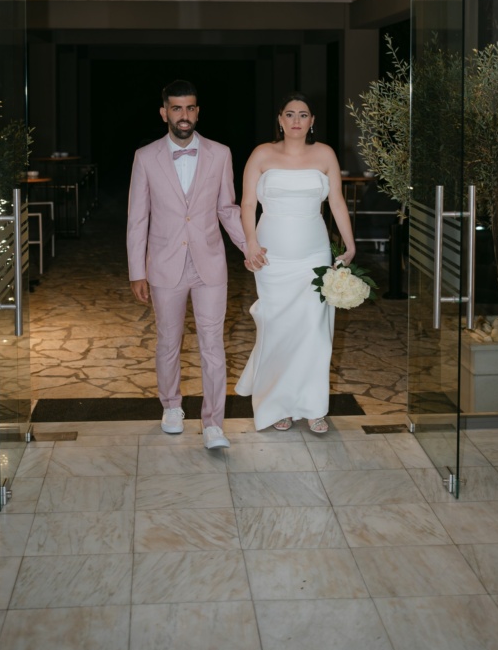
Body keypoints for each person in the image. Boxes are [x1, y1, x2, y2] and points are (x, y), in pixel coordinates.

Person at [127, 80, 257, 450]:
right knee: (168, 341)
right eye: (176, 108)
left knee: (212, 344)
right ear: (164, 113)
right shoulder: (145, 157)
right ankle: (171, 406)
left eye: (190, 108)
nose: (183, 115)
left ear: (197, 112)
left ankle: (213, 423)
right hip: (164, 265)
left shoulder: (220, 153)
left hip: (209, 264)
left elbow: (227, 209)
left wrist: (249, 247)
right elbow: (137, 218)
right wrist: (137, 271)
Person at [235, 92, 355, 434]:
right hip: (272, 257)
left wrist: (349, 245)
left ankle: (313, 407)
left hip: (313, 256)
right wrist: (250, 244)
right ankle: (277, 405)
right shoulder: (261, 154)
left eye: (303, 114)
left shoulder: (325, 154)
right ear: (280, 119)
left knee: (314, 330)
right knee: (278, 329)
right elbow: (247, 204)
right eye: (290, 114)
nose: (296, 120)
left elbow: (336, 202)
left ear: (312, 121)